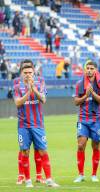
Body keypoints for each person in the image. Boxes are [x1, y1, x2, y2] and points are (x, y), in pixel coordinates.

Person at [13, 60, 59, 188]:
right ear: (22, 73)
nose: (28, 75)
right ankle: (27, 181)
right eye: (25, 72)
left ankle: (49, 179)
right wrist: (28, 91)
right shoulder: (17, 86)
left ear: (34, 73)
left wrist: (33, 89)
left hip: (38, 125)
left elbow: (43, 99)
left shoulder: (40, 83)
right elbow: (17, 103)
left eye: (30, 72)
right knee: (25, 152)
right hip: (23, 125)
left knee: (43, 150)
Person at [73, 61, 100, 183]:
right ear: (84, 70)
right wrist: (85, 96)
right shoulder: (79, 84)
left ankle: (94, 174)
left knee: (96, 146)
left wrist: (92, 93)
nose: (89, 70)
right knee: (81, 145)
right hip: (83, 119)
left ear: (96, 70)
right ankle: (80, 174)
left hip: (96, 120)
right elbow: (76, 102)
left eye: (92, 68)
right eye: (87, 68)